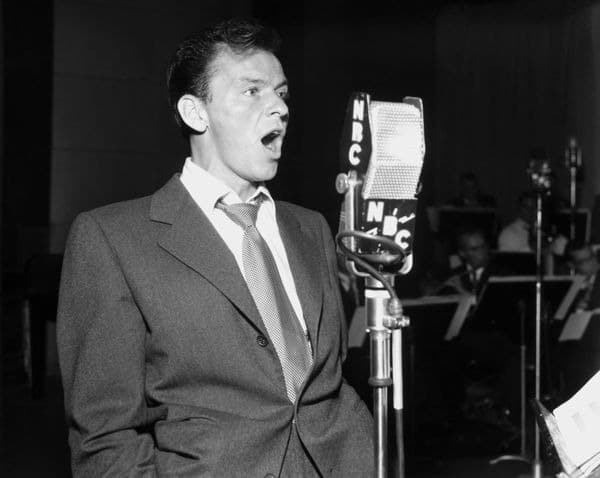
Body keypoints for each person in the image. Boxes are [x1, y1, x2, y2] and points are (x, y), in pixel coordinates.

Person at [57, 18, 374, 477]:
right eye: (252, 91)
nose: (279, 108)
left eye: (282, 93)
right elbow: (105, 438)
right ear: (195, 112)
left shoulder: (312, 229)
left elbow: (333, 379)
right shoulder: (112, 239)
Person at [558, 241, 600, 397]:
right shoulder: (570, 283)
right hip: (573, 340)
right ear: (573, 265)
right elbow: (559, 316)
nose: (592, 262)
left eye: (592, 257)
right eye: (584, 261)